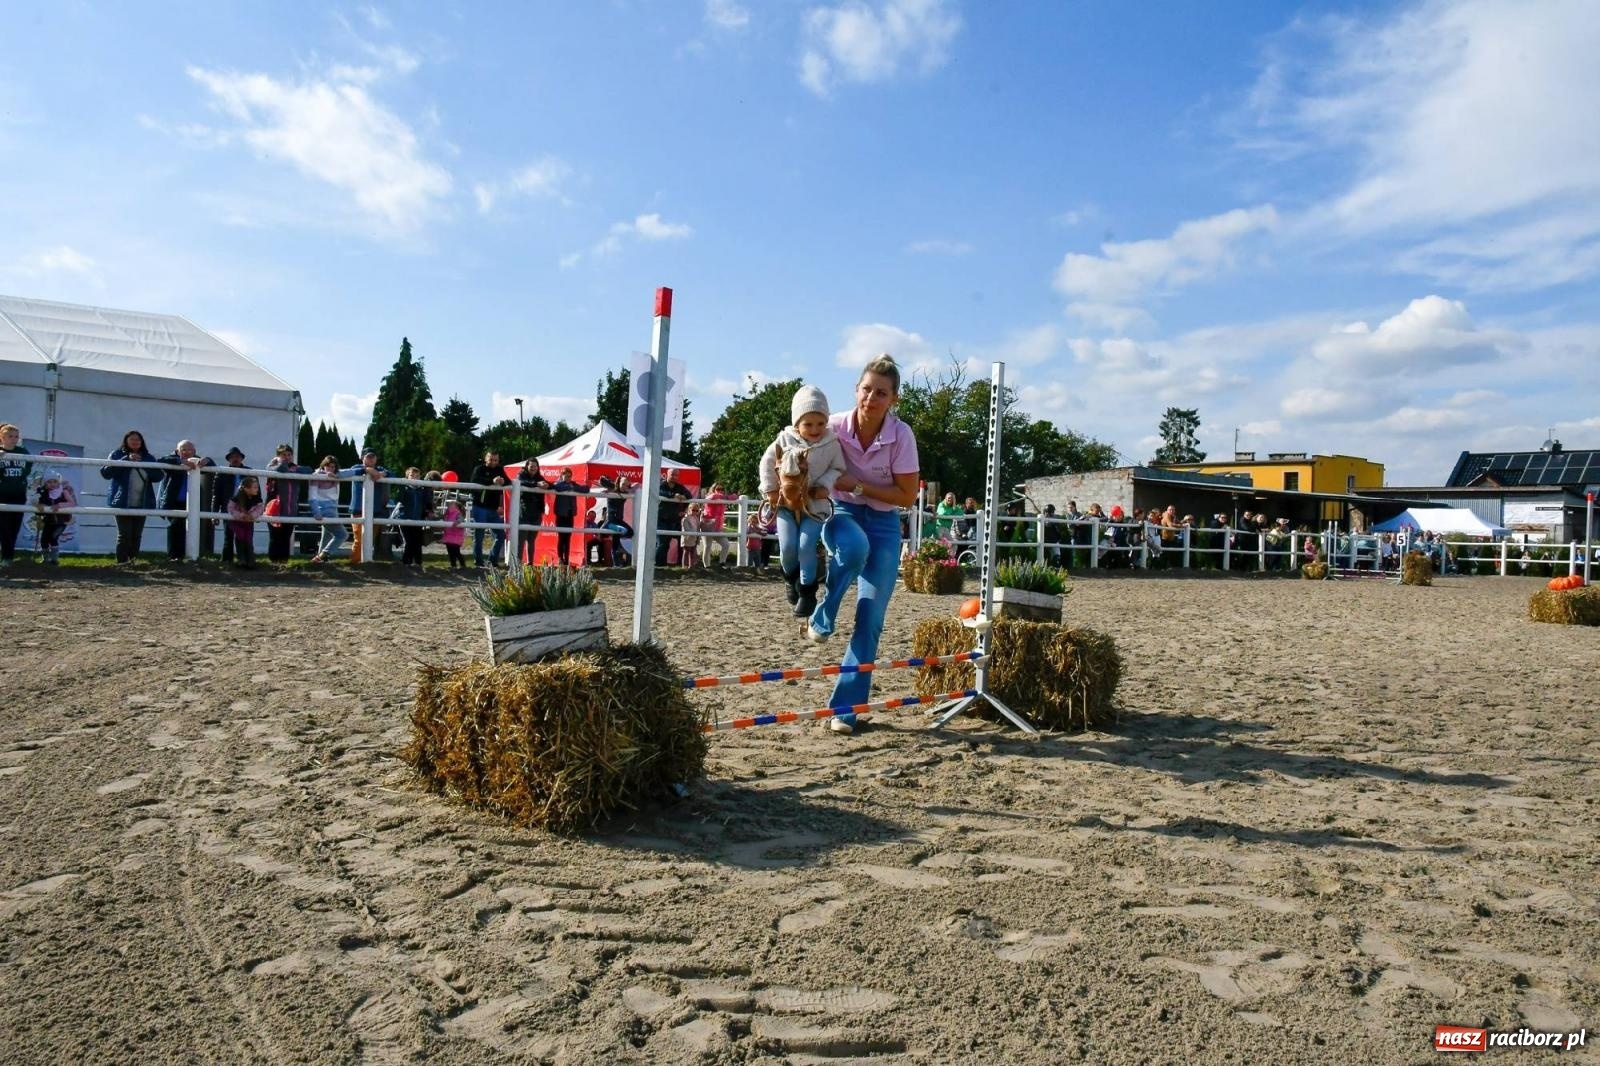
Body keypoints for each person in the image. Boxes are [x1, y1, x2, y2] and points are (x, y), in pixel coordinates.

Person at [810, 356, 920, 735]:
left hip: (886, 524)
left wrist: (857, 484)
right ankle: (825, 612)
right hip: (843, 515)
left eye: (882, 393)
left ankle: (845, 709)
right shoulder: (835, 426)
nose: (872, 397)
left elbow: (906, 496)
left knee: (870, 619)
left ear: (894, 400)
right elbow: (794, 447)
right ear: (856, 389)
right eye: (867, 389)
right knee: (853, 548)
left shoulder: (901, 435)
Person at [759, 384, 848, 617]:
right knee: (788, 547)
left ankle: (808, 592)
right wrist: (770, 490)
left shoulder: (831, 445)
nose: (815, 429)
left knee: (806, 545)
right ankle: (790, 578)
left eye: (820, 423)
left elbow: (838, 468)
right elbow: (766, 464)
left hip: (813, 505)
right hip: (786, 504)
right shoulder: (783, 441)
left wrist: (825, 485)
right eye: (808, 424)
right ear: (797, 423)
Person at [102, 429, 162, 563]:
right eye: (132, 439)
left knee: (136, 535)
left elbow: (159, 476)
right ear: (126, 441)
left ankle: (133, 560)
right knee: (124, 534)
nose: (135, 442)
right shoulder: (116, 454)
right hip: (122, 501)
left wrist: (145, 465)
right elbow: (106, 473)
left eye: (138, 439)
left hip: (142, 501)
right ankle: (122, 562)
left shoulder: (148, 457)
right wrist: (125, 460)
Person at [156, 439, 212, 560]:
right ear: (177, 451)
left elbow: (212, 465)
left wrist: (207, 460)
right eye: (183, 450)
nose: (187, 452)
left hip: (192, 502)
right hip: (174, 500)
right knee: (175, 526)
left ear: (194, 451)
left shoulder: (196, 461)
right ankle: (174, 556)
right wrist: (181, 461)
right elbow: (161, 460)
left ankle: (187, 555)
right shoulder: (173, 460)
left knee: (190, 528)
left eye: (190, 450)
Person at [340, 450, 389, 564]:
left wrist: (383, 474)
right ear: (362, 458)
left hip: (375, 511)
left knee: (369, 540)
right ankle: (354, 563)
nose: (371, 459)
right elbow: (348, 472)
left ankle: (364, 562)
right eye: (368, 457)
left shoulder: (380, 469)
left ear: (376, 459)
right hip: (358, 510)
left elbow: (392, 473)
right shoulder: (356, 467)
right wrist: (367, 470)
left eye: (373, 457)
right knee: (359, 539)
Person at [264, 444, 305, 563]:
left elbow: (309, 470)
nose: (287, 457)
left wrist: (294, 469)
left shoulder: (297, 468)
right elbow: (279, 469)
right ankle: (273, 563)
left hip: (290, 509)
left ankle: (283, 564)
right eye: (283, 455)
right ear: (277, 456)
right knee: (275, 538)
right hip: (274, 509)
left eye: (289, 455)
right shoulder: (271, 467)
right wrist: (280, 463)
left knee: (286, 538)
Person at [468, 450, 508, 568]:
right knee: (479, 535)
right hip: (479, 507)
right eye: (491, 459)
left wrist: (503, 481)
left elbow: (508, 481)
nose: (493, 462)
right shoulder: (479, 469)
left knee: (501, 535)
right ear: (486, 459)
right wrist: (492, 481)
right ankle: (479, 562)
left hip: (493, 509)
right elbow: (474, 480)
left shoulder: (500, 470)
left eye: (496, 460)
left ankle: (492, 560)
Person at [210, 447, 249, 563]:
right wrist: (214, 513)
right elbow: (216, 495)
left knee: (243, 536)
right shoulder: (222, 473)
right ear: (229, 459)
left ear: (241, 458)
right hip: (228, 508)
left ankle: (244, 560)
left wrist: (255, 511)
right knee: (228, 536)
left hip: (244, 508)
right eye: (232, 457)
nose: (235, 459)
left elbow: (256, 494)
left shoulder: (249, 472)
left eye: (237, 457)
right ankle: (227, 560)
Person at [0, 423, 32, 567]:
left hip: (18, 494)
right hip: (2, 494)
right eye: (10, 436)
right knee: (4, 527)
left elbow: (30, 465)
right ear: (2, 437)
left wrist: (21, 479)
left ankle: (8, 557)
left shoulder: (23, 452)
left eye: (16, 437)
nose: (14, 439)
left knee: (14, 527)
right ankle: (6, 557)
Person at [307, 456, 346, 563]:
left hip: (332, 509)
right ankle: (322, 556)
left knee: (327, 534)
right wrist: (316, 512)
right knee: (342, 534)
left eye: (333, 467)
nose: (330, 469)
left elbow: (350, 472)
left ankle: (319, 560)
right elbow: (312, 497)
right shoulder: (317, 476)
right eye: (328, 466)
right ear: (323, 466)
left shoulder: (335, 476)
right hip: (325, 510)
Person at [34, 470, 76, 564]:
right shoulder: (44, 493)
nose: (52, 484)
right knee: (44, 540)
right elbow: (38, 502)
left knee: (53, 538)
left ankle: (54, 560)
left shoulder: (63, 492)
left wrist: (59, 505)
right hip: (49, 521)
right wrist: (39, 505)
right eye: (49, 482)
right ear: (45, 483)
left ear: (58, 482)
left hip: (61, 522)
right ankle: (45, 559)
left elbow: (72, 503)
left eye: (55, 481)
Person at [655, 468, 693, 566]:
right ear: (667, 475)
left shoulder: (680, 487)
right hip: (661, 519)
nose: (674, 477)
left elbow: (689, 495)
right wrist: (674, 495)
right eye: (672, 474)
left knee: (683, 540)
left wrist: (684, 499)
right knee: (663, 543)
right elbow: (661, 492)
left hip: (674, 519)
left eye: (676, 475)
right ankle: (658, 565)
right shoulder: (661, 484)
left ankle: (681, 564)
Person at [226, 475, 265, 569]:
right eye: (255, 487)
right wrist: (241, 516)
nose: (257, 489)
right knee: (240, 538)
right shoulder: (236, 498)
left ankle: (250, 560)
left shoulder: (257, 499)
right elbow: (231, 508)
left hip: (248, 522)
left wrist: (252, 515)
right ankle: (242, 559)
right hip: (238, 523)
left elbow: (260, 509)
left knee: (248, 539)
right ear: (247, 488)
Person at [515, 460, 551, 562]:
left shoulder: (539, 477)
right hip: (524, 512)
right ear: (527, 466)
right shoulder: (521, 475)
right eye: (531, 466)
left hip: (536, 513)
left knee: (531, 540)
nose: (533, 468)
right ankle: (518, 564)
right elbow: (519, 482)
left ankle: (530, 564)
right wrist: (537, 484)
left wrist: (547, 485)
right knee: (521, 540)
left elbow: (549, 485)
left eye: (535, 466)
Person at [550, 466, 586, 566]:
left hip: (570, 515)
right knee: (561, 538)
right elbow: (557, 487)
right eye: (566, 476)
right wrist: (571, 487)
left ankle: (566, 559)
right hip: (561, 515)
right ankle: (560, 559)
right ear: (561, 476)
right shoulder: (558, 484)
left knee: (568, 538)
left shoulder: (572, 484)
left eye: (570, 476)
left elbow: (585, 489)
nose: (568, 478)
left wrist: (572, 487)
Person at [396, 466, 430, 568]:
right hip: (405, 518)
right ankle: (406, 562)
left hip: (418, 519)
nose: (415, 478)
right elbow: (399, 499)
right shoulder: (405, 488)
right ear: (407, 477)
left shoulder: (422, 489)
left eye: (417, 476)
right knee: (409, 541)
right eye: (412, 475)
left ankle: (418, 562)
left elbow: (427, 501)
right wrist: (402, 486)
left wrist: (428, 488)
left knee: (417, 541)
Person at [702, 481, 737, 567]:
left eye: (722, 489)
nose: (720, 491)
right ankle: (707, 566)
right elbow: (711, 497)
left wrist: (727, 497)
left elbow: (735, 497)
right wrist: (726, 497)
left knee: (726, 544)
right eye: (718, 489)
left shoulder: (723, 499)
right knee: (707, 547)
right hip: (708, 525)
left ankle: (722, 563)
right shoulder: (710, 496)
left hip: (718, 527)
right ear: (713, 489)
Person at [604, 474, 634, 567]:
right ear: (619, 483)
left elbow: (632, 489)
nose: (625, 486)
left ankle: (616, 562)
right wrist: (614, 485)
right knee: (623, 532)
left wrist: (628, 488)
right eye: (623, 484)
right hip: (611, 521)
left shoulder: (625, 494)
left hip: (619, 520)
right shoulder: (612, 491)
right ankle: (619, 553)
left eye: (627, 485)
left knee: (630, 532)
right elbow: (602, 480)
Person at [440, 494, 467, 569]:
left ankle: (462, 565)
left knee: (456, 552)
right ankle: (453, 565)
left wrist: (457, 522)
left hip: (456, 537)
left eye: (452, 504)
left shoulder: (458, 513)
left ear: (457, 507)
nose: (449, 506)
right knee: (450, 553)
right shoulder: (447, 514)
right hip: (448, 537)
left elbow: (461, 519)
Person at [679, 500, 706, 569]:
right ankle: (684, 566)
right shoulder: (685, 518)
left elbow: (698, 527)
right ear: (689, 509)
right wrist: (693, 534)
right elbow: (686, 529)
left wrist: (697, 536)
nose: (694, 512)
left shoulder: (696, 518)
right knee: (686, 552)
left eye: (696, 511)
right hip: (687, 538)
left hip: (694, 538)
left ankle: (691, 566)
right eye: (693, 510)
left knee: (692, 552)